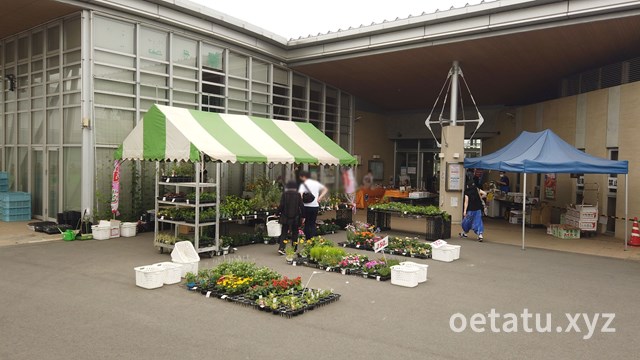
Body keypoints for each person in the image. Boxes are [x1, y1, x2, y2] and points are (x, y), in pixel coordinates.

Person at [277, 180, 304, 255]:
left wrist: (277, 213)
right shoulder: (298, 195)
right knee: (295, 233)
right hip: (295, 217)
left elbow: (281, 205)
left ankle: (281, 248)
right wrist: (303, 216)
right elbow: (301, 206)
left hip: (285, 216)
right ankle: (294, 249)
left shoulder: (284, 194)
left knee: (284, 232)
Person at [298, 171, 328, 239]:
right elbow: (325, 189)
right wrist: (319, 198)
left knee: (307, 223)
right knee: (312, 223)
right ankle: (312, 238)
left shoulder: (303, 184)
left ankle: (308, 239)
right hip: (315, 206)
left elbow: (300, 195)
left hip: (306, 206)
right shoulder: (316, 183)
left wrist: (301, 202)